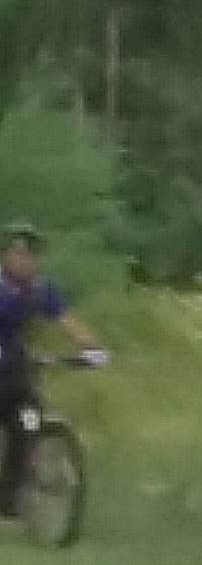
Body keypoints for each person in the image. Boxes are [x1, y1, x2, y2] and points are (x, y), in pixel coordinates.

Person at [0, 222, 111, 518]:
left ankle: (11, 494)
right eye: (18, 253)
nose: (25, 261)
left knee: (27, 420)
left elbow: (65, 318)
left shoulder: (39, 289)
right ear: (6, 256)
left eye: (31, 255)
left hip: (13, 363)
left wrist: (91, 348)